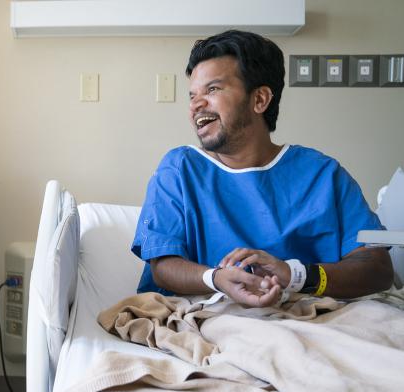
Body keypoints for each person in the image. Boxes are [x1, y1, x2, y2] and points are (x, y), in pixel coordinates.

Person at [132, 30, 393, 307]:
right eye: (192, 95)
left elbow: (378, 268)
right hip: (209, 314)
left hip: (309, 316)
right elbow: (163, 266)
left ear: (260, 100)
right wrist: (216, 279)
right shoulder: (179, 170)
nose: (196, 105)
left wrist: (296, 275)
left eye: (212, 89)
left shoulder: (324, 174)